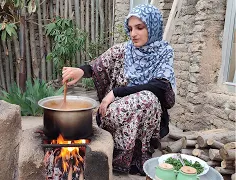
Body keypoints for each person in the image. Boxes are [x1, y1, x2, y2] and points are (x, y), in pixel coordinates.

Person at [62, 4, 175, 175]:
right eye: (130, 29)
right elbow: (96, 66)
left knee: (148, 99)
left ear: (152, 27)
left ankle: (138, 156)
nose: (133, 34)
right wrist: (80, 71)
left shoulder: (164, 52)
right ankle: (118, 155)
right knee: (145, 99)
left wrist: (115, 93)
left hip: (145, 115)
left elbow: (161, 86)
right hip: (115, 112)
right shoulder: (123, 50)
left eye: (139, 27)